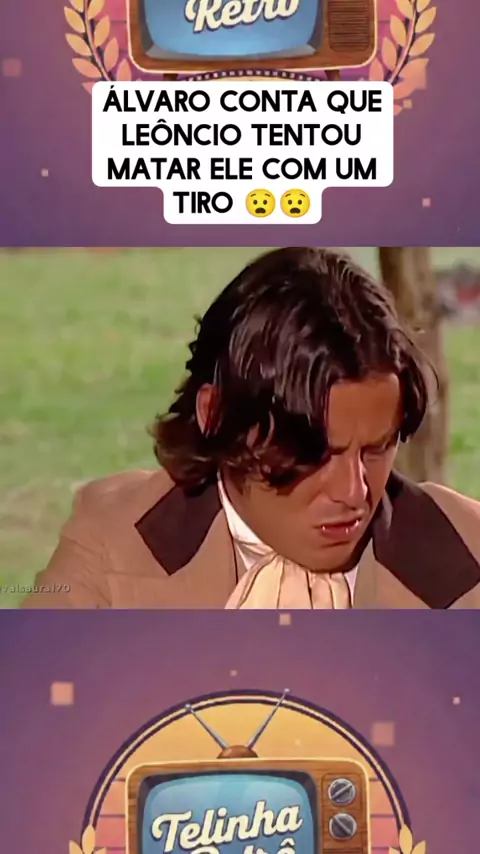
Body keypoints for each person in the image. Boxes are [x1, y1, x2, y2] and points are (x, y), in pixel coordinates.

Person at [21, 247, 480, 610]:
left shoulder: (469, 553)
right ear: (217, 417)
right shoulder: (112, 540)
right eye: (314, 454)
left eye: (376, 448)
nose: (353, 492)